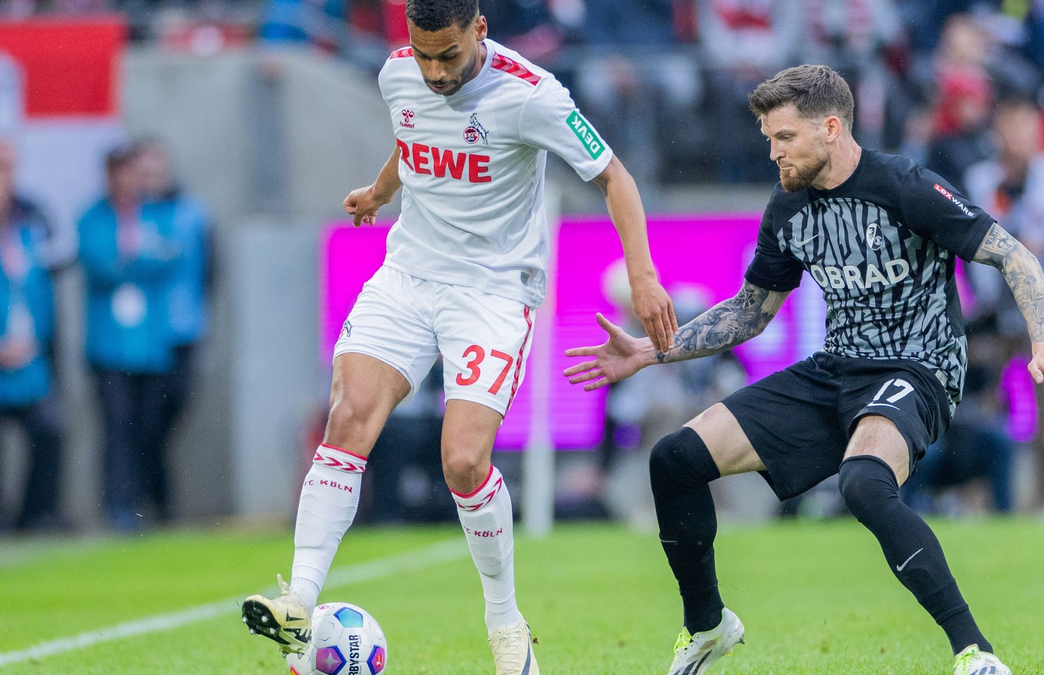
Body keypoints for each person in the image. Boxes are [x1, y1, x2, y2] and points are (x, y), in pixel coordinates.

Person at [565, 65, 1044, 675]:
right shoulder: (789, 206)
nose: (773, 153)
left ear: (831, 128)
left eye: (783, 138)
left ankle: (975, 653)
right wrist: (651, 350)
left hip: (919, 369)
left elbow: (1014, 255)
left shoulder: (904, 185)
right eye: (767, 138)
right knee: (674, 458)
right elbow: (749, 314)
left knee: (864, 483)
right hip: (839, 368)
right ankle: (708, 626)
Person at [240, 1, 677, 672]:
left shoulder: (532, 95)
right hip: (410, 273)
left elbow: (614, 175)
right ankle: (299, 600)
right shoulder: (398, 74)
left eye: (449, 55)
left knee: (464, 461)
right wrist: (382, 190)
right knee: (349, 414)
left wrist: (643, 276)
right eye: (424, 55)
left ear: (480, 30)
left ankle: (505, 622)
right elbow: (414, 136)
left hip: (493, 291)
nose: (436, 71)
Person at [963, 97, 1044, 513]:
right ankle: (977, 498)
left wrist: (1037, 248)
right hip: (992, 313)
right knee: (982, 409)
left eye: (1024, 128)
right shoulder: (980, 180)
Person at [78, 145, 182, 531]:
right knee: (116, 427)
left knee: (150, 426)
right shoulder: (93, 217)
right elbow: (100, 264)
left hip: (150, 344)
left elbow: (171, 255)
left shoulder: (155, 214)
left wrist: (134, 263)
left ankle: (149, 500)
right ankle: (118, 505)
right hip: (109, 345)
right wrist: (141, 262)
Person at [136, 137, 212, 523]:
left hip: (182, 334)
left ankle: (156, 499)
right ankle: (153, 504)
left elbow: (210, 270)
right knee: (143, 425)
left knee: (163, 420)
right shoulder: (131, 215)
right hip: (142, 339)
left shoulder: (192, 213)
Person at [0, 139, 65, 532]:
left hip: (27, 358)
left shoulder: (29, 223)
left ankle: (35, 515)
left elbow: (40, 292)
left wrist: (37, 341)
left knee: (49, 428)